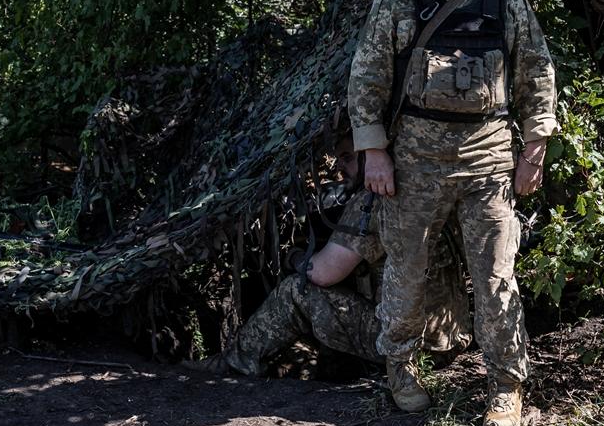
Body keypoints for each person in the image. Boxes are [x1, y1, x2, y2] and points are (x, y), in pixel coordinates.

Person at [347, 0, 556, 426]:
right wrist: (374, 153)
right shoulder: (397, 1)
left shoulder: (507, 2)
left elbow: (537, 77)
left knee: (495, 276)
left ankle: (506, 388)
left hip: (488, 154)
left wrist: (533, 150)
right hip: (413, 159)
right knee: (405, 270)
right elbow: (367, 82)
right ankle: (400, 367)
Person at [186, 139, 472, 379]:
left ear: (371, 157)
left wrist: (294, 257)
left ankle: (233, 364)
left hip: (410, 348)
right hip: (449, 339)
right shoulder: (426, 191)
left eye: (347, 158)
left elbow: (323, 273)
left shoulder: (371, 201)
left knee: (296, 292)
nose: (339, 168)